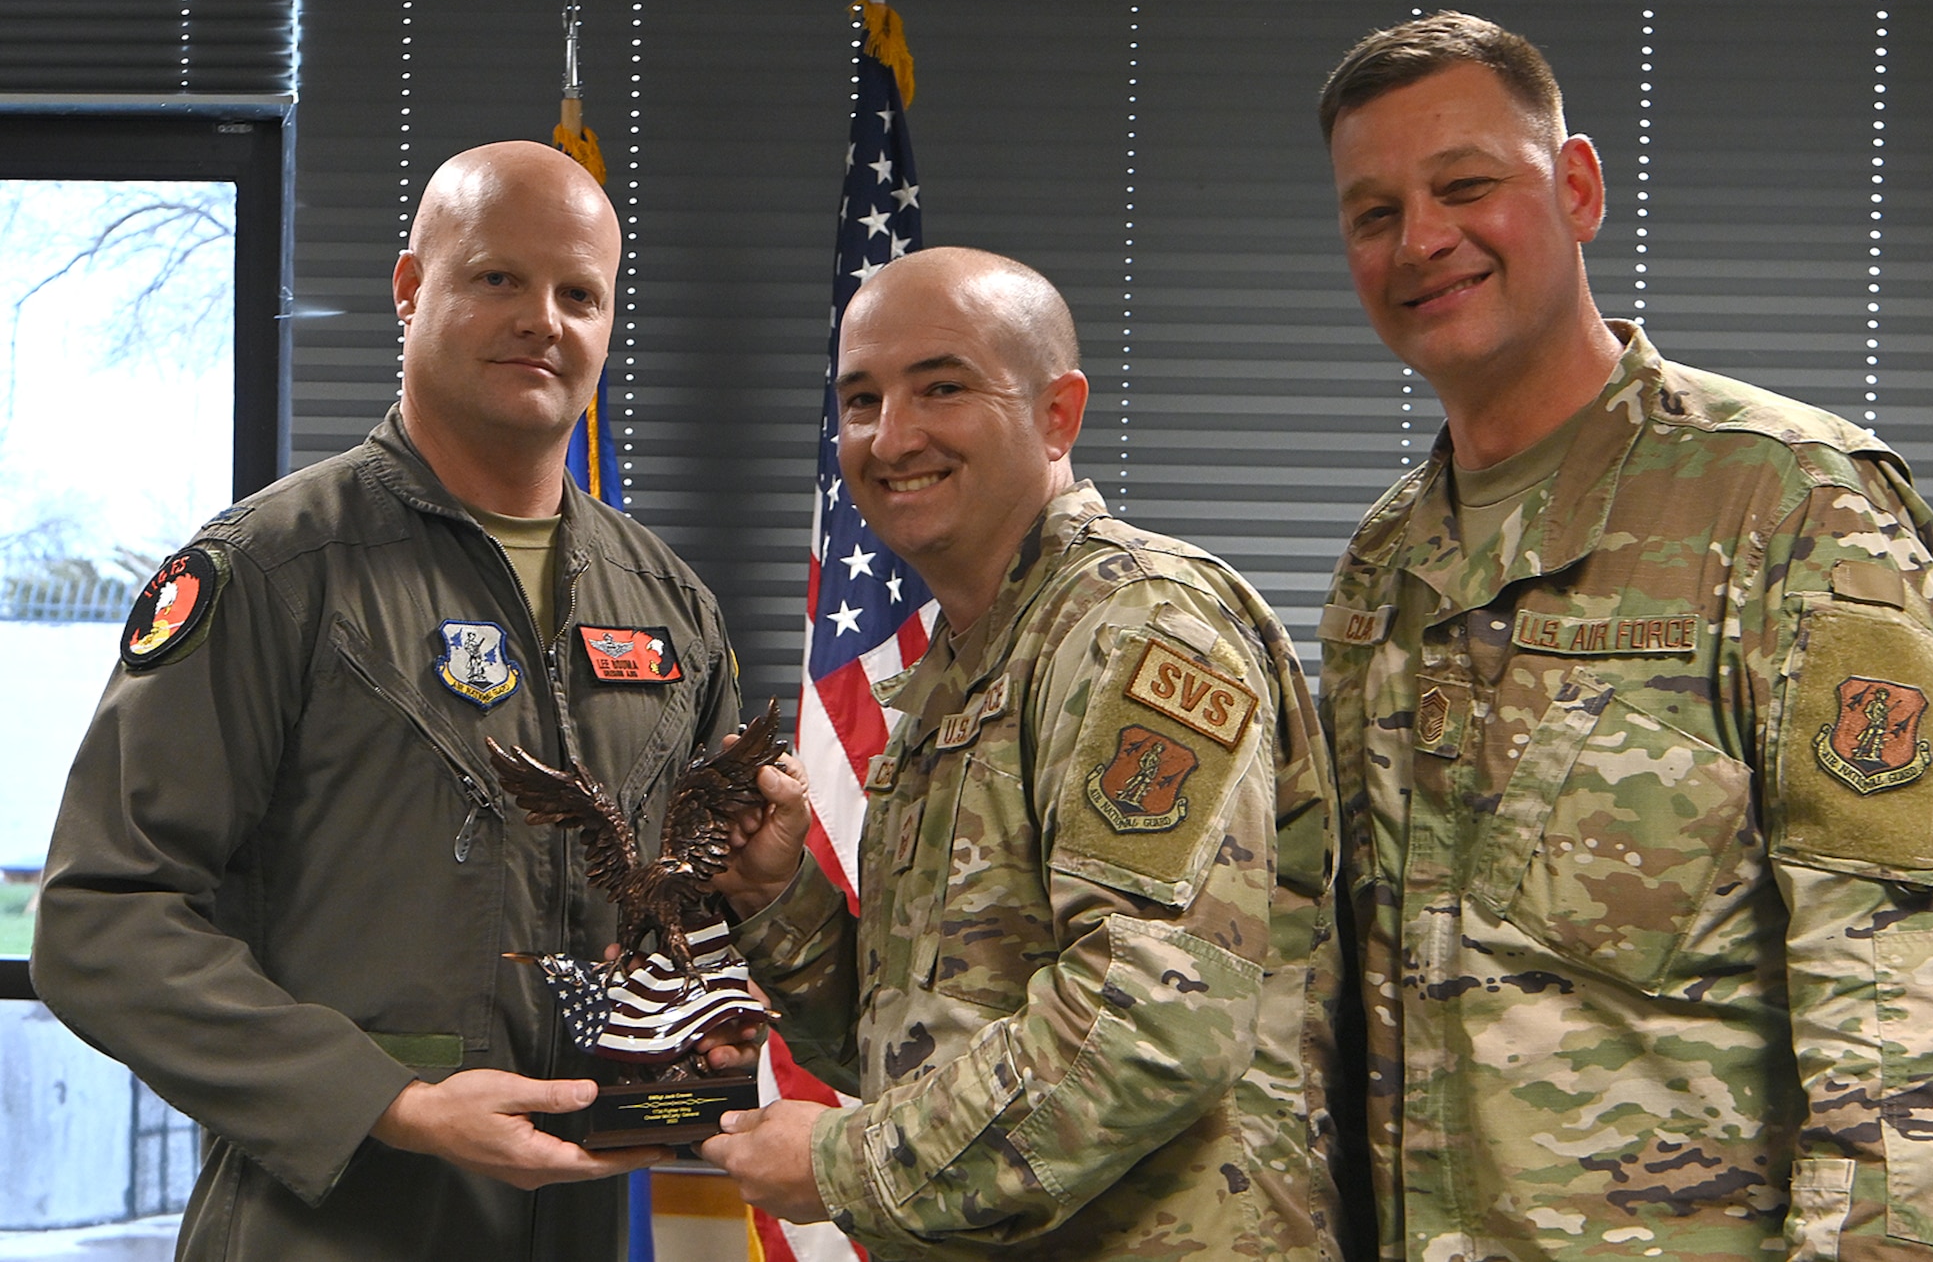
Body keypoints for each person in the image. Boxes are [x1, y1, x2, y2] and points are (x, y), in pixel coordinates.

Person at [1315, 11, 1933, 1259]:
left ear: (1574, 189)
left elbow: (1919, 1014)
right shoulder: (1386, 562)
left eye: (1466, 186)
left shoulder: (1790, 505)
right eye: (1374, 213)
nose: (1421, 240)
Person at [31, 141, 754, 1260]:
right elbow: (100, 918)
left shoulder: (671, 609)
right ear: (411, 290)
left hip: (583, 1218)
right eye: (496, 279)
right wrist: (389, 1100)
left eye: (579, 294)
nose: (542, 320)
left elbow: (697, 921)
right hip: (327, 1223)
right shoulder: (274, 570)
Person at [700, 247, 1347, 1259]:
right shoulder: (967, 664)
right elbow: (918, 1038)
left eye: (941, 387)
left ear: (1057, 413)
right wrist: (784, 901)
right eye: (860, 399)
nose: (890, 435)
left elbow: (1144, 1027)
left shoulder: (1138, 628)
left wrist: (842, 1163)